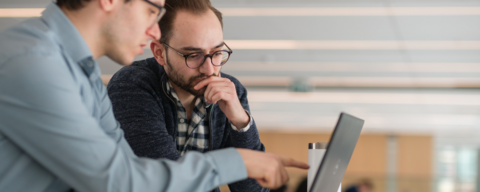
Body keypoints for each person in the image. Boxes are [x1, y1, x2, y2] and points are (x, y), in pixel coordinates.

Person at [0, 0, 309, 191]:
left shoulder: (82, 72)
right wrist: (237, 161)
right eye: (151, 11)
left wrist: (241, 139)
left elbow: (127, 169)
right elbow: (120, 182)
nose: (153, 32)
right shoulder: (33, 63)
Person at [107, 0, 267, 191]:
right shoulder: (132, 85)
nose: (210, 70)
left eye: (217, 53)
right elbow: (168, 181)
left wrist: (240, 122)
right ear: (159, 53)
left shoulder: (231, 92)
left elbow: (254, 189)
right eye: (193, 55)